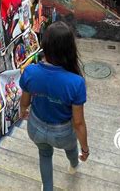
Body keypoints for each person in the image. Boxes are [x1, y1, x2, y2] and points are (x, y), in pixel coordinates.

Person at [20, 22, 89, 191]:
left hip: (35, 127)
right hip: (63, 132)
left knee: (44, 155)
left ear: (45, 45)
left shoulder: (30, 72)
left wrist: (23, 112)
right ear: (69, 49)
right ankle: (74, 165)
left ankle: (47, 188)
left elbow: (25, 102)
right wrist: (85, 149)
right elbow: (78, 123)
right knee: (71, 149)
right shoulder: (76, 83)